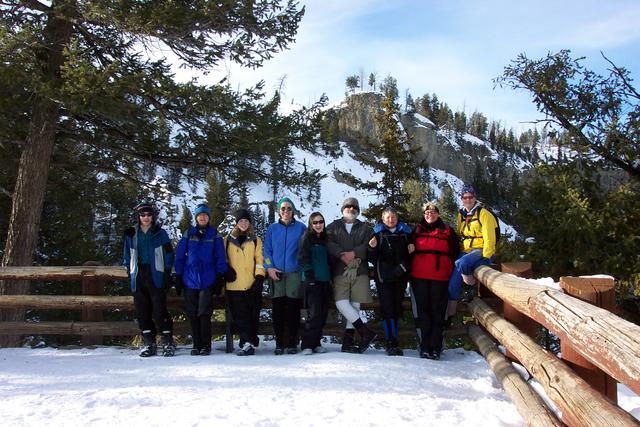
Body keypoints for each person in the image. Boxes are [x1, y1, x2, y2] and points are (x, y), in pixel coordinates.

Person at [123, 202, 176, 357]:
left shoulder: (160, 233)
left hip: (156, 274)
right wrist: (129, 270)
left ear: (153, 216)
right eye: (143, 215)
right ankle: (148, 343)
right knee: (142, 311)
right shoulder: (131, 234)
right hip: (138, 274)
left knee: (160, 310)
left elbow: (169, 253)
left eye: (149, 215)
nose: (146, 218)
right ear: (138, 217)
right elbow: (127, 254)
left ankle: (167, 341)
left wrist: (166, 272)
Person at [174, 204, 228, 356]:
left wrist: (220, 276)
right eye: (200, 215)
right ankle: (196, 344)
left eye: (205, 215)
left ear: (208, 217)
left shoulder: (214, 234)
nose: (202, 217)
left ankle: (206, 345)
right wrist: (177, 275)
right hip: (189, 279)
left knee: (204, 313)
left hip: (207, 279)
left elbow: (220, 257)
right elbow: (179, 256)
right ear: (196, 218)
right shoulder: (188, 233)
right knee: (192, 313)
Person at [409, 202, 459, 360]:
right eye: (426, 212)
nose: (429, 214)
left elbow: (455, 251)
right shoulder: (416, 231)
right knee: (422, 312)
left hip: (440, 277)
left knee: (438, 312)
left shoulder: (447, 230)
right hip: (419, 277)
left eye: (432, 212)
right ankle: (424, 346)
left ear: (438, 214)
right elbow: (408, 249)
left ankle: (436, 347)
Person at [326, 197, 376, 354]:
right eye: (348, 206)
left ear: (358, 210)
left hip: (360, 271)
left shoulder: (366, 228)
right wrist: (341, 254)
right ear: (342, 209)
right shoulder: (333, 226)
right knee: (341, 302)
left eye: (354, 207)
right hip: (340, 270)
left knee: (355, 305)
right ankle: (365, 332)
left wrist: (354, 253)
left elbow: (369, 245)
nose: (351, 208)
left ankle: (347, 342)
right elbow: (328, 243)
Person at [263, 197, 307, 355]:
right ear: (278, 211)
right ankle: (280, 343)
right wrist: (269, 267)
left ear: (293, 210)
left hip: (294, 273)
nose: (286, 211)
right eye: (283, 208)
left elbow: (305, 250)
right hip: (277, 274)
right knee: (278, 309)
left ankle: (293, 342)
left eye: (289, 208)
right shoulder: (272, 229)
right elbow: (266, 250)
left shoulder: (301, 228)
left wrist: (301, 268)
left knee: (293, 310)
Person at [447, 184, 498, 317]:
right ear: (461, 198)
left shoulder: (484, 214)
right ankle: (449, 317)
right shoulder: (461, 214)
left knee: (461, 263)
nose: (468, 200)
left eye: (470, 197)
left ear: (475, 198)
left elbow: (489, 238)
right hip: (467, 250)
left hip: (481, 248)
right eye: (465, 197)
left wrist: (486, 257)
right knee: (452, 285)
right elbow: (461, 234)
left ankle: (471, 288)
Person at [367, 207, 412, 356]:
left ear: (397, 218)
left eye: (393, 217)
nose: (390, 220)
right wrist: (372, 249)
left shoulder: (406, 233)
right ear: (383, 218)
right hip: (384, 277)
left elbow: (411, 256)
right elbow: (372, 259)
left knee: (396, 307)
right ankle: (390, 341)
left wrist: (410, 256)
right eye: (387, 218)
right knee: (387, 308)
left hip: (400, 276)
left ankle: (394, 340)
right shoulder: (378, 233)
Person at [224, 208, 265, 356]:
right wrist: (225, 271)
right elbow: (223, 259)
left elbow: (260, 260)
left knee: (251, 315)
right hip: (233, 284)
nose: (243, 223)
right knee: (239, 316)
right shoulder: (227, 240)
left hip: (250, 284)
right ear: (236, 223)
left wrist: (259, 277)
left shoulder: (255, 240)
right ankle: (247, 343)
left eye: (246, 221)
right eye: (240, 221)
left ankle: (247, 342)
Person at [298, 212, 332, 355]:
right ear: (311, 224)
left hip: (325, 280)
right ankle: (307, 344)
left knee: (323, 314)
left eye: (321, 222)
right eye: (315, 222)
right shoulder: (307, 238)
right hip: (312, 281)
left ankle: (316, 343)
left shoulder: (326, 238)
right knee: (314, 314)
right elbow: (303, 258)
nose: (318, 225)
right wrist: (309, 275)